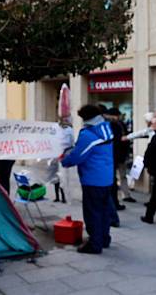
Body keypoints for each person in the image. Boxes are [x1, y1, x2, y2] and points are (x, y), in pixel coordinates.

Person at [62, 105, 115, 254]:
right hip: (106, 178)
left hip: (93, 179)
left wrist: (63, 161)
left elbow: (78, 156)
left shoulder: (88, 134)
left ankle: (94, 244)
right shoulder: (106, 129)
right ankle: (104, 239)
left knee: (92, 212)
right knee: (104, 211)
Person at [105, 108, 135, 204]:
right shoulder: (110, 125)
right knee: (114, 177)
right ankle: (117, 197)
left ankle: (126, 194)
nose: (117, 117)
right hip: (114, 154)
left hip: (120, 154)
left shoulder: (120, 124)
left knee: (122, 175)